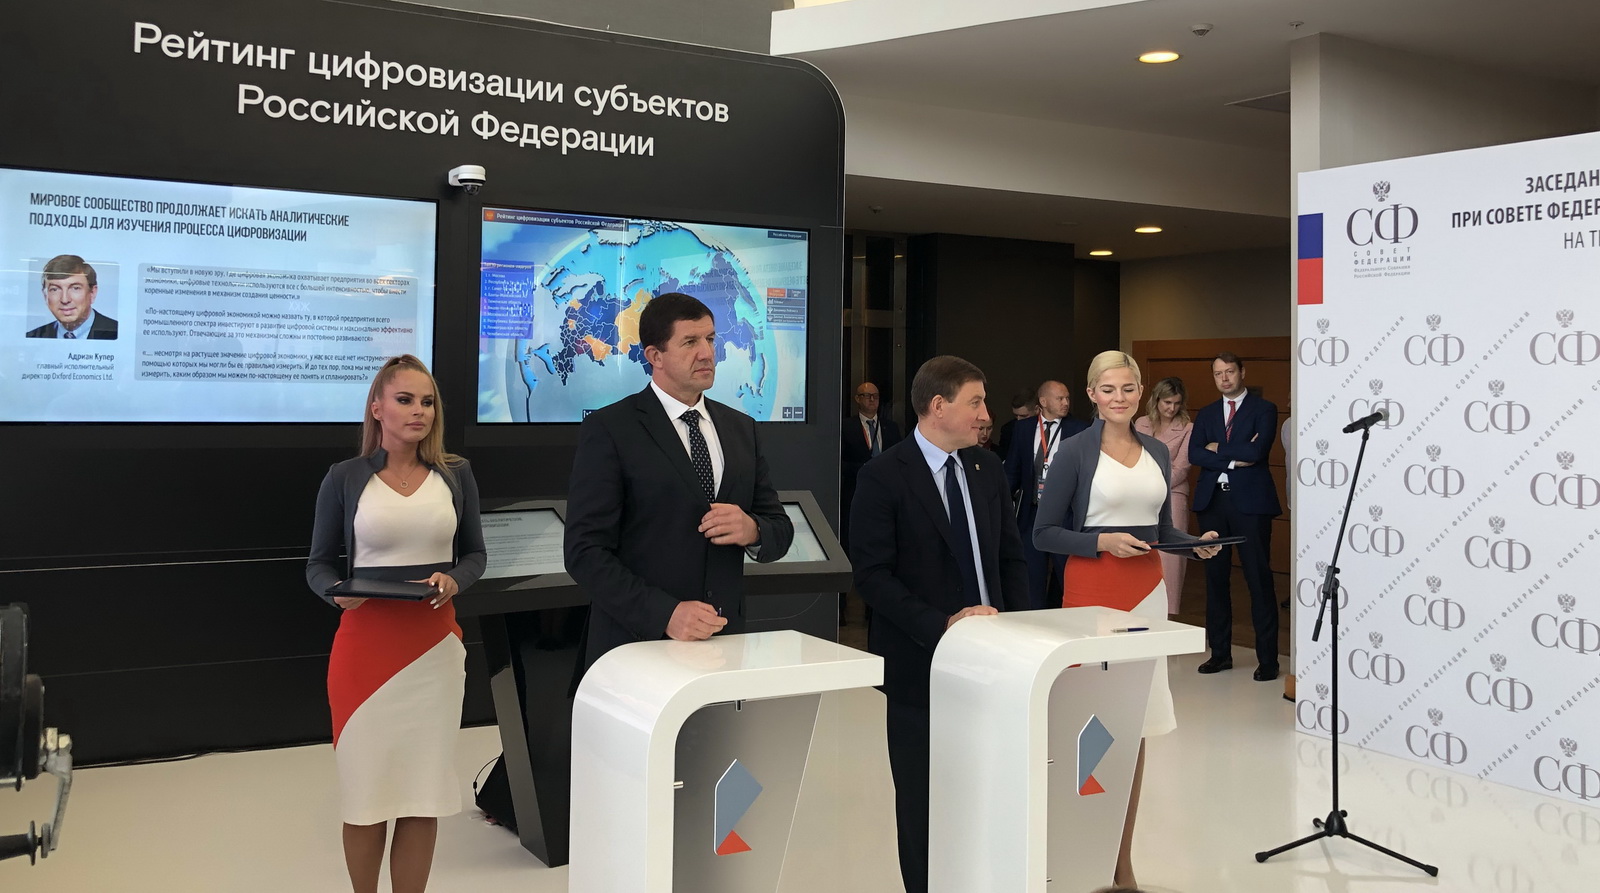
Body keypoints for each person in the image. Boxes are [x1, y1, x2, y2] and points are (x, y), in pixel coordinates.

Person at [1033, 350, 1219, 889]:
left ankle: (1121, 863)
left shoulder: (1156, 450)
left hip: (1147, 598)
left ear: (1140, 392)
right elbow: (1044, 534)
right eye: (1108, 389)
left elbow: (1160, 531)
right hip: (1093, 597)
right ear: (1092, 393)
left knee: (1133, 726)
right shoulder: (1074, 451)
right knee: (1090, 728)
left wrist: (1194, 544)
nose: (1120, 398)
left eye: (1129, 388)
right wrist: (1101, 542)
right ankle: (1076, 854)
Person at [305, 355, 487, 893]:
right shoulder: (344, 477)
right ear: (377, 408)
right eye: (405, 400)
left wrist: (456, 579)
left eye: (427, 401)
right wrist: (336, 593)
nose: (419, 411)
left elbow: (475, 555)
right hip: (366, 654)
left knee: (422, 795)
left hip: (434, 652)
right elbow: (318, 565)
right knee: (365, 799)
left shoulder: (456, 474)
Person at [850, 355, 1029, 893]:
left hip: (996, 666)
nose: (985, 415)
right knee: (924, 804)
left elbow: (1010, 560)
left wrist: (1022, 635)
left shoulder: (987, 468)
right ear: (938, 406)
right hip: (920, 665)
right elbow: (872, 577)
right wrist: (943, 624)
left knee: (992, 794)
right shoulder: (883, 475)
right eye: (975, 402)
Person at [564, 292, 793, 673]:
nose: (707, 353)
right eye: (690, 342)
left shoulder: (742, 429)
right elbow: (584, 552)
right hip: (637, 649)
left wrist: (752, 529)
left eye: (710, 339)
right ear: (655, 356)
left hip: (725, 646)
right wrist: (665, 613)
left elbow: (779, 529)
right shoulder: (611, 429)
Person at [1189, 352, 1283, 681]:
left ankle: (1268, 660)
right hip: (1213, 502)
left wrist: (1217, 448)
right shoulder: (1206, 413)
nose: (1224, 378)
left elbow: (1257, 452)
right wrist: (1232, 458)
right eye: (1218, 374)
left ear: (1242, 372)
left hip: (1250, 505)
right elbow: (1194, 453)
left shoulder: (1264, 409)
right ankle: (1220, 654)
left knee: (1258, 579)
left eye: (1229, 371)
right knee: (1215, 580)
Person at [1005, 380, 1088, 609]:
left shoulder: (1080, 429)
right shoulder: (1023, 429)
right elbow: (1012, 471)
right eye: (1060, 398)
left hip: (1065, 515)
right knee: (1032, 575)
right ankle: (1033, 620)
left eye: (1067, 398)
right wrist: (1000, 505)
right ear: (1043, 401)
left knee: (1067, 574)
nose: (1066, 403)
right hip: (1032, 513)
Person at [1133, 377, 1194, 615]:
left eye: (1177, 403)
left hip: (1172, 495)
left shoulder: (1187, 427)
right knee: (1141, 550)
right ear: (1156, 400)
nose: (1172, 408)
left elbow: (1182, 468)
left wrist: (1152, 484)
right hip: (1139, 496)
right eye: (1167, 402)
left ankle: (1168, 612)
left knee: (1171, 556)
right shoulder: (1141, 423)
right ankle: (1141, 607)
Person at [840, 380, 902, 550]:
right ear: (857, 399)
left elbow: (900, 458)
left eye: (876, 396)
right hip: (855, 489)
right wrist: (864, 468)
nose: (872, 400)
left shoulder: (891, 427)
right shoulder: (846, 427)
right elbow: (839, 462)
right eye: (867, 396)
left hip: (887, 490)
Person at [26, 255, 117, 339]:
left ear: (92, 293)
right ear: (45, 295)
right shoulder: (33, 337)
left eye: (75, 288)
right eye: (55, 289)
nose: (65, 299)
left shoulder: (117, 333)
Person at [994, 389, 1036, 458]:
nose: (1018, 419)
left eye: (1023, 416)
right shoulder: (1008, 430)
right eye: (1016, 415)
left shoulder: (1048, 428)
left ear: (1037, 409)